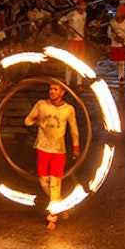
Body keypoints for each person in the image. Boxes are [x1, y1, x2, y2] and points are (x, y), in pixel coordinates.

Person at [24, 83, 80, 230]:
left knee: (55, 184)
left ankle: (52, 217)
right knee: (43, 182)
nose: (52, 92)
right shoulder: (41, 105)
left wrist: (76, 147)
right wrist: (37, 120)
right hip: (42, 148)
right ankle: (60, 204)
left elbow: (74, 129)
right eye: (51, 89)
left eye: (56, 89)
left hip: (58, 151)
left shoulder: (68, 109)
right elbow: (27, 121)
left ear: (62, 92)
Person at [58, 0, 87, 91]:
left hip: (81, 40)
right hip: (72, 41)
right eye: (83, 5)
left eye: (85, 5)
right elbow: (60, 21)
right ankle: (67, 83)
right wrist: (68, 31)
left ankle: (79, 83)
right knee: (70, 62)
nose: (85, 6)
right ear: (78, 6)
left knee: (81, 62)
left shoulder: (84, 14)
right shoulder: (72, 14)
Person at [107, 4, 125, 85]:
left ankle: (121, 77)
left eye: (119, 11)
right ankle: (119, 74)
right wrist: (113, 37)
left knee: (121, 62)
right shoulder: (112, 22)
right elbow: (109, 32)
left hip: (123, 45)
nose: (117, 13)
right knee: (116, 62)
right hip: (114, 45)